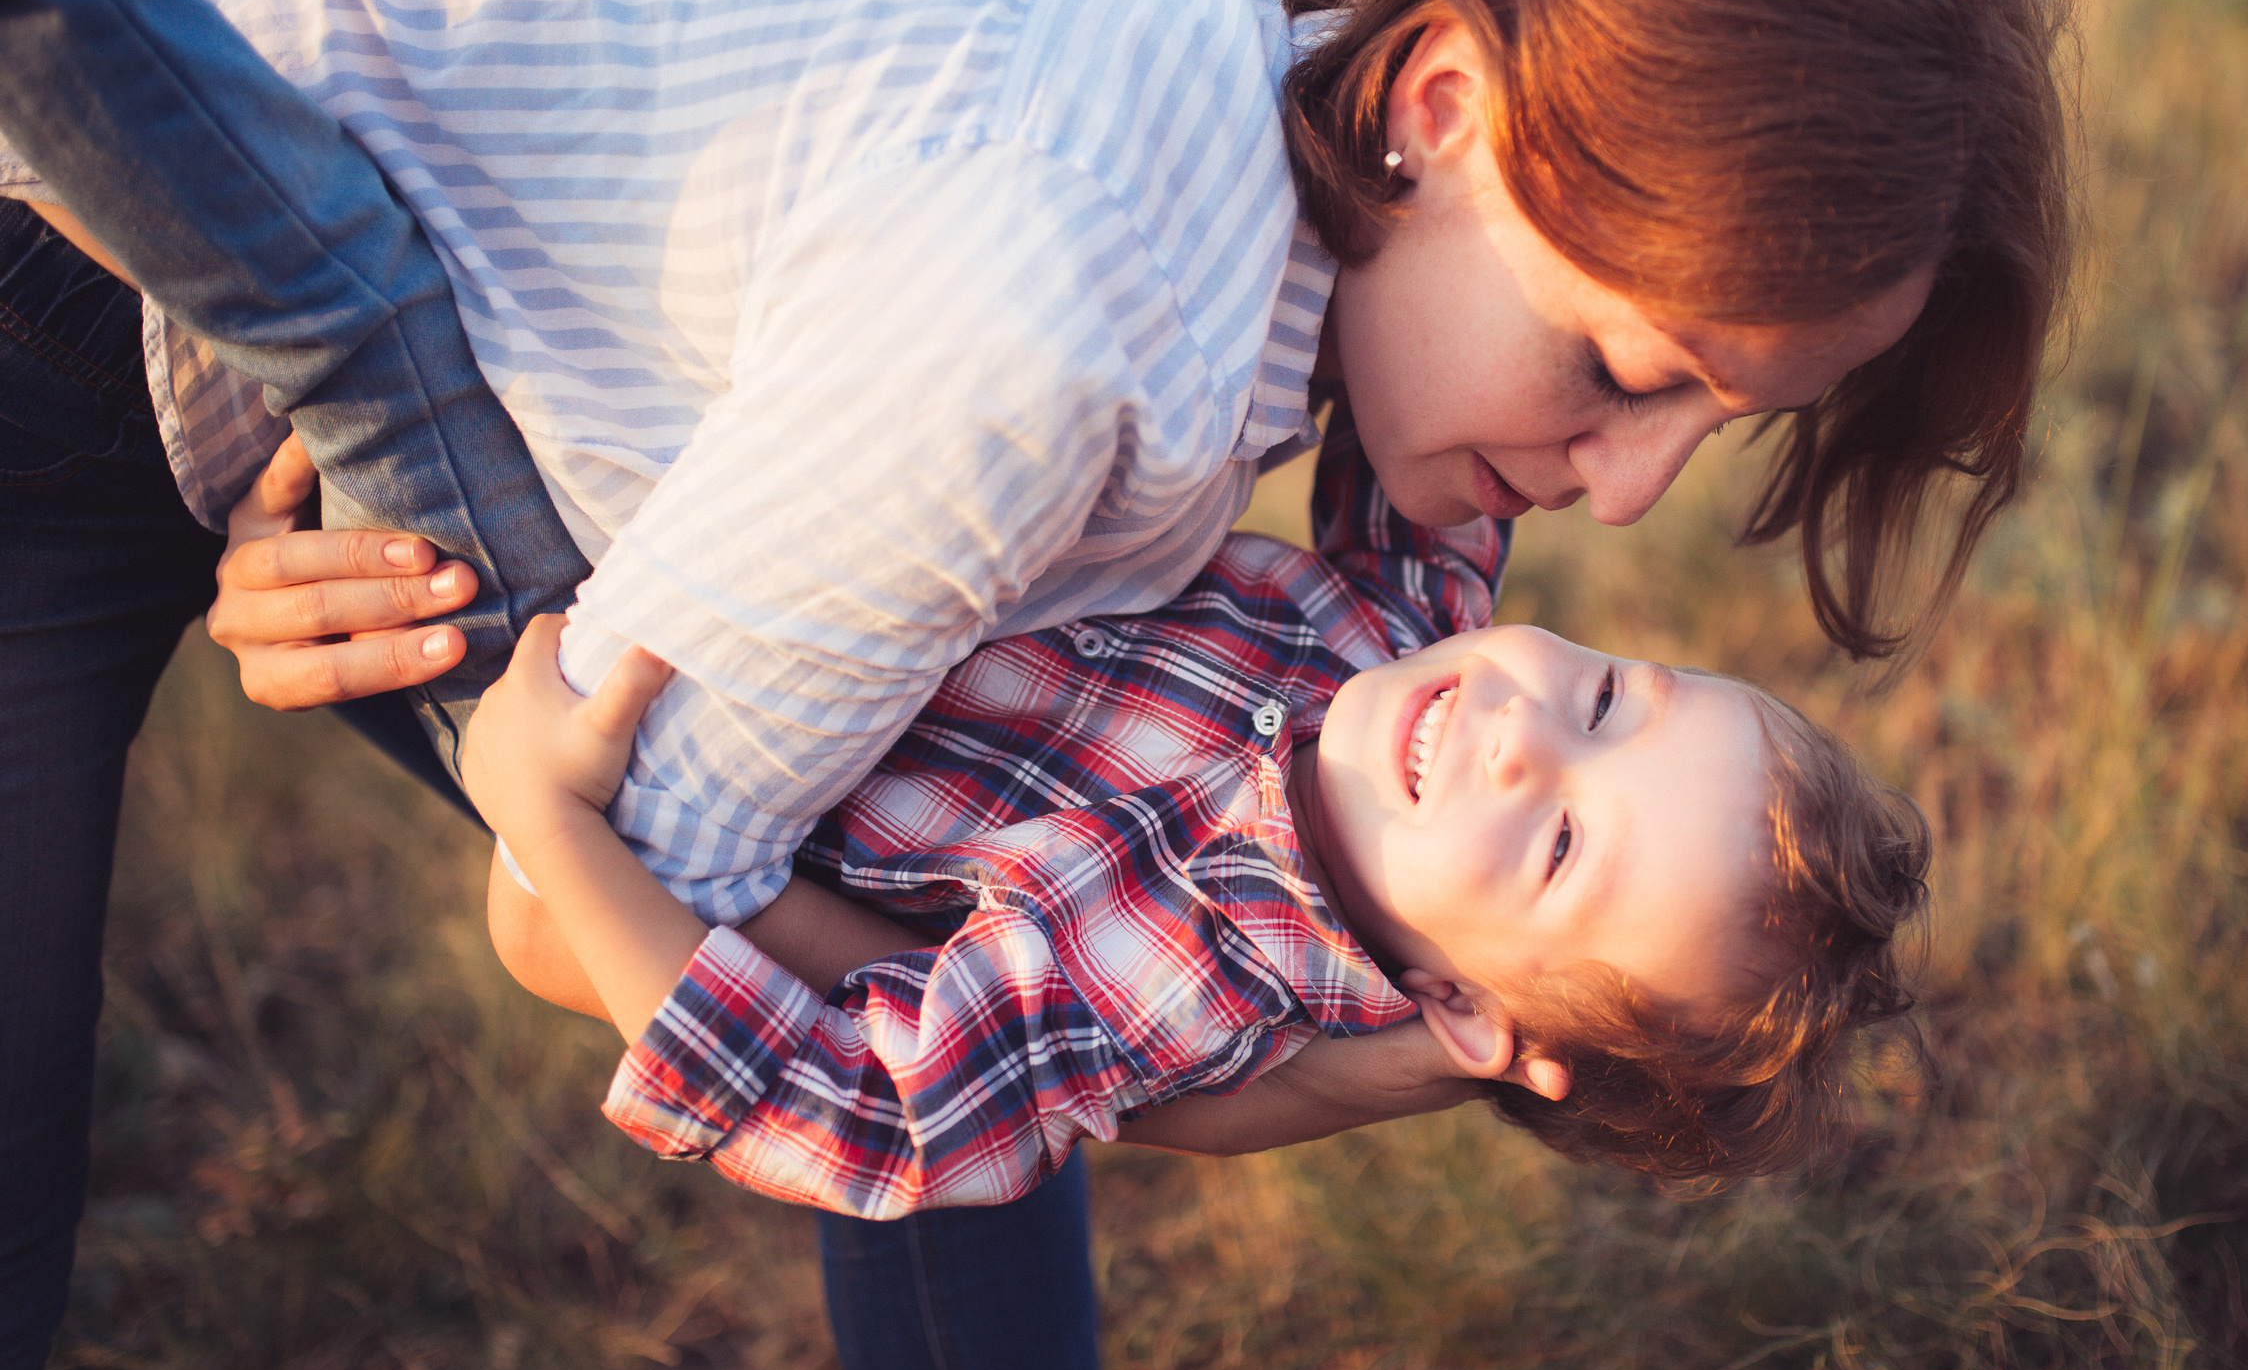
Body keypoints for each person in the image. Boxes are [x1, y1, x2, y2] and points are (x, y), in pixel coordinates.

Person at [0, 0, 2073, 1370]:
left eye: (1711, 418)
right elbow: (590, 912)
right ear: (1441, 104)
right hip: (98, 242)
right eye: (1624, 369)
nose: (1622, 494)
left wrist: (1331, 1020)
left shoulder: (1278, 189)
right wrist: (1252, 1042)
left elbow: (1025, 1008)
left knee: (1021, 966)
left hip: (378, 205)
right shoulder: (1052, 346)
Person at [469, 403, 1930, 1213]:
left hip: (634, 701)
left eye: (1560, 846)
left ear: (1464, 1015)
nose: (1518, 733)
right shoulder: (1401, 617)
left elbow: (878, 1115)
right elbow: (1431, 347)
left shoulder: (1175, 976)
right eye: (1609, 698)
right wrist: (1348, 9)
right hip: (780, 467)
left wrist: (552, 826)